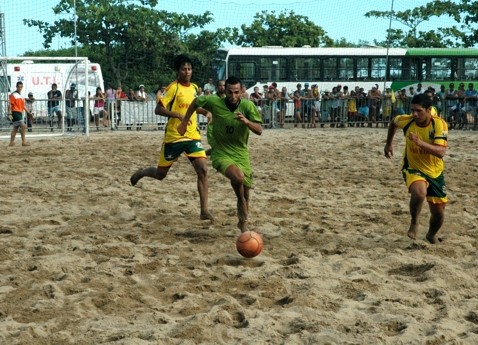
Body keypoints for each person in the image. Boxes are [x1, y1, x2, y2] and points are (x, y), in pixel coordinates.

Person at [129, 54, 213, 221]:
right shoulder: (172, 88)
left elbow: (193, 108)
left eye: (189, 69)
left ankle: (204, 210)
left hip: (192, 136)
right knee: (161, 175)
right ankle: (143, 172)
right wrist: (176, 115)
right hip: (173, 138)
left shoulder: (195, 88)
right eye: (183, 69)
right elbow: (158, 110)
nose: (187, 72)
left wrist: (206, 112)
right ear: (178, 71)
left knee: (202, 170)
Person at [178, 76, 263, 233]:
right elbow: (195, 102)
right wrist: (184, 122)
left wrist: (246, 122)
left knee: (246, 192)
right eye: (229, 92)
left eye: (236, 92)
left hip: (241, 152)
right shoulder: (214, 102)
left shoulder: (248, 106)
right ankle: (241, 203)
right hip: (221, 151)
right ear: (225, 90)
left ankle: (242, 223)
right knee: (238, 178)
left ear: (242, 91)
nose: (233, 96)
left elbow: (259, 130)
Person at [384, 93, 448, 244]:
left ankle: (431, 235)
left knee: (438, 213)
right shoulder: (407, 121)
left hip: (435, 172)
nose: (415, 114)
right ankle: (414, 222)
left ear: (428, 110)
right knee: (419, 193)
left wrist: (420, 143)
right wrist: (388, 143)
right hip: (413, 167)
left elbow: (441, 152)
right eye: (412, 110)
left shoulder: (439, 124)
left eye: (419, 111)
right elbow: (393, 123)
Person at [8, 81, 32, 147]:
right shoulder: (13, 95)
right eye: (18, 87)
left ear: (22, 87)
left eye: (21, 87)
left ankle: (11, 143)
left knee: (15, 128)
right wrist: (9, 113)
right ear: (16, 87)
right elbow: (10, 104)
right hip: (15, 112)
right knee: (23, 126)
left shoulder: (21, 96)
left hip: (19, 112)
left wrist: (29, 112)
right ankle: (23, 142)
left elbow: (23, 106)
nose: (20, 88)